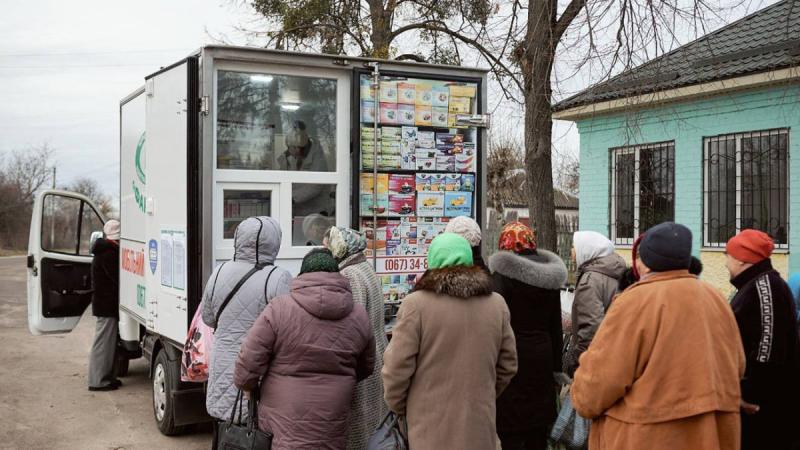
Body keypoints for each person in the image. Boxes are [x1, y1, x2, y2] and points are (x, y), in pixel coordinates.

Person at [571, 222, 745, 450]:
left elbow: (599, 384)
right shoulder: (716, 299)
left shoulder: (633, 302)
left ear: (645, 262)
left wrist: (579, 394)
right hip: (709, 436)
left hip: (647, 438)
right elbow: (738, 366)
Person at [383, 233, 518, 450]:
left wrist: (404, 409)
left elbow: (395, 371)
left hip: (428, 429)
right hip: (479, 426)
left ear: (432, 261)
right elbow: (508, 365)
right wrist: (481, 394)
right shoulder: (496, 305)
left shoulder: (415, 305)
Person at [234, 248, 375, 450]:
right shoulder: (359, 315)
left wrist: (247, 385)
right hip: (333, 414)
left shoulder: (279, 308)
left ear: (302, 275)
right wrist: (341, 378)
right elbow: (367, 366)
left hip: (283, 416)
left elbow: (249, 358)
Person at [201, 217, 292, 442]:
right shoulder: (278, 277)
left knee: (225, 434)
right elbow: (287, 328)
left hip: (222, 364)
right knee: (254, 438)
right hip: (258, 372)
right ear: (274, 242)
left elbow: (208, 317)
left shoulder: (219, 271)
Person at [488, 222, 567, 450]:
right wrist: (556, 368)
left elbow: (497, 322)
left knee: (510, 426)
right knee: (537, 428)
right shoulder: (550, 278)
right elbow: (555, 326)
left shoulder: (502, 278)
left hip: (511, 356)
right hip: (542, 356)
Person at [725, 229, 800, 450]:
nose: (725, 261)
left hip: (764, 408)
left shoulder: (765, 289)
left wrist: (748, 394)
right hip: (761, 405)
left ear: (742, 259)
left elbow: (768, 350)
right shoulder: (756, 285)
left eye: (728, 255)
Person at [324, 227, 388, 450]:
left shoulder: (349, 275)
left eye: (328, 246)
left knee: (360, 426)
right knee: (374, 421)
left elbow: (354, 323)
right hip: (377, 353)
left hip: (363, 363)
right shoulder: (364, 267)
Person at [562, 231, 625, 378]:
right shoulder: (614, 272)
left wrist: (575, 363)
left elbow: (590, 330)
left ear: (586, 250)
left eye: (574, 247)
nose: (571, 251)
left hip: (594, 365)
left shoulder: (590, 281)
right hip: (616, 355)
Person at [88, 219, 122, 392]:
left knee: (108, 343)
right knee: (103, 343)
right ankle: (97, 381)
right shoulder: (108, 253)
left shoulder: (103, 251)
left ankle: (107, 378)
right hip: (106, 305)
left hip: (105, 304)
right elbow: (117, 279)